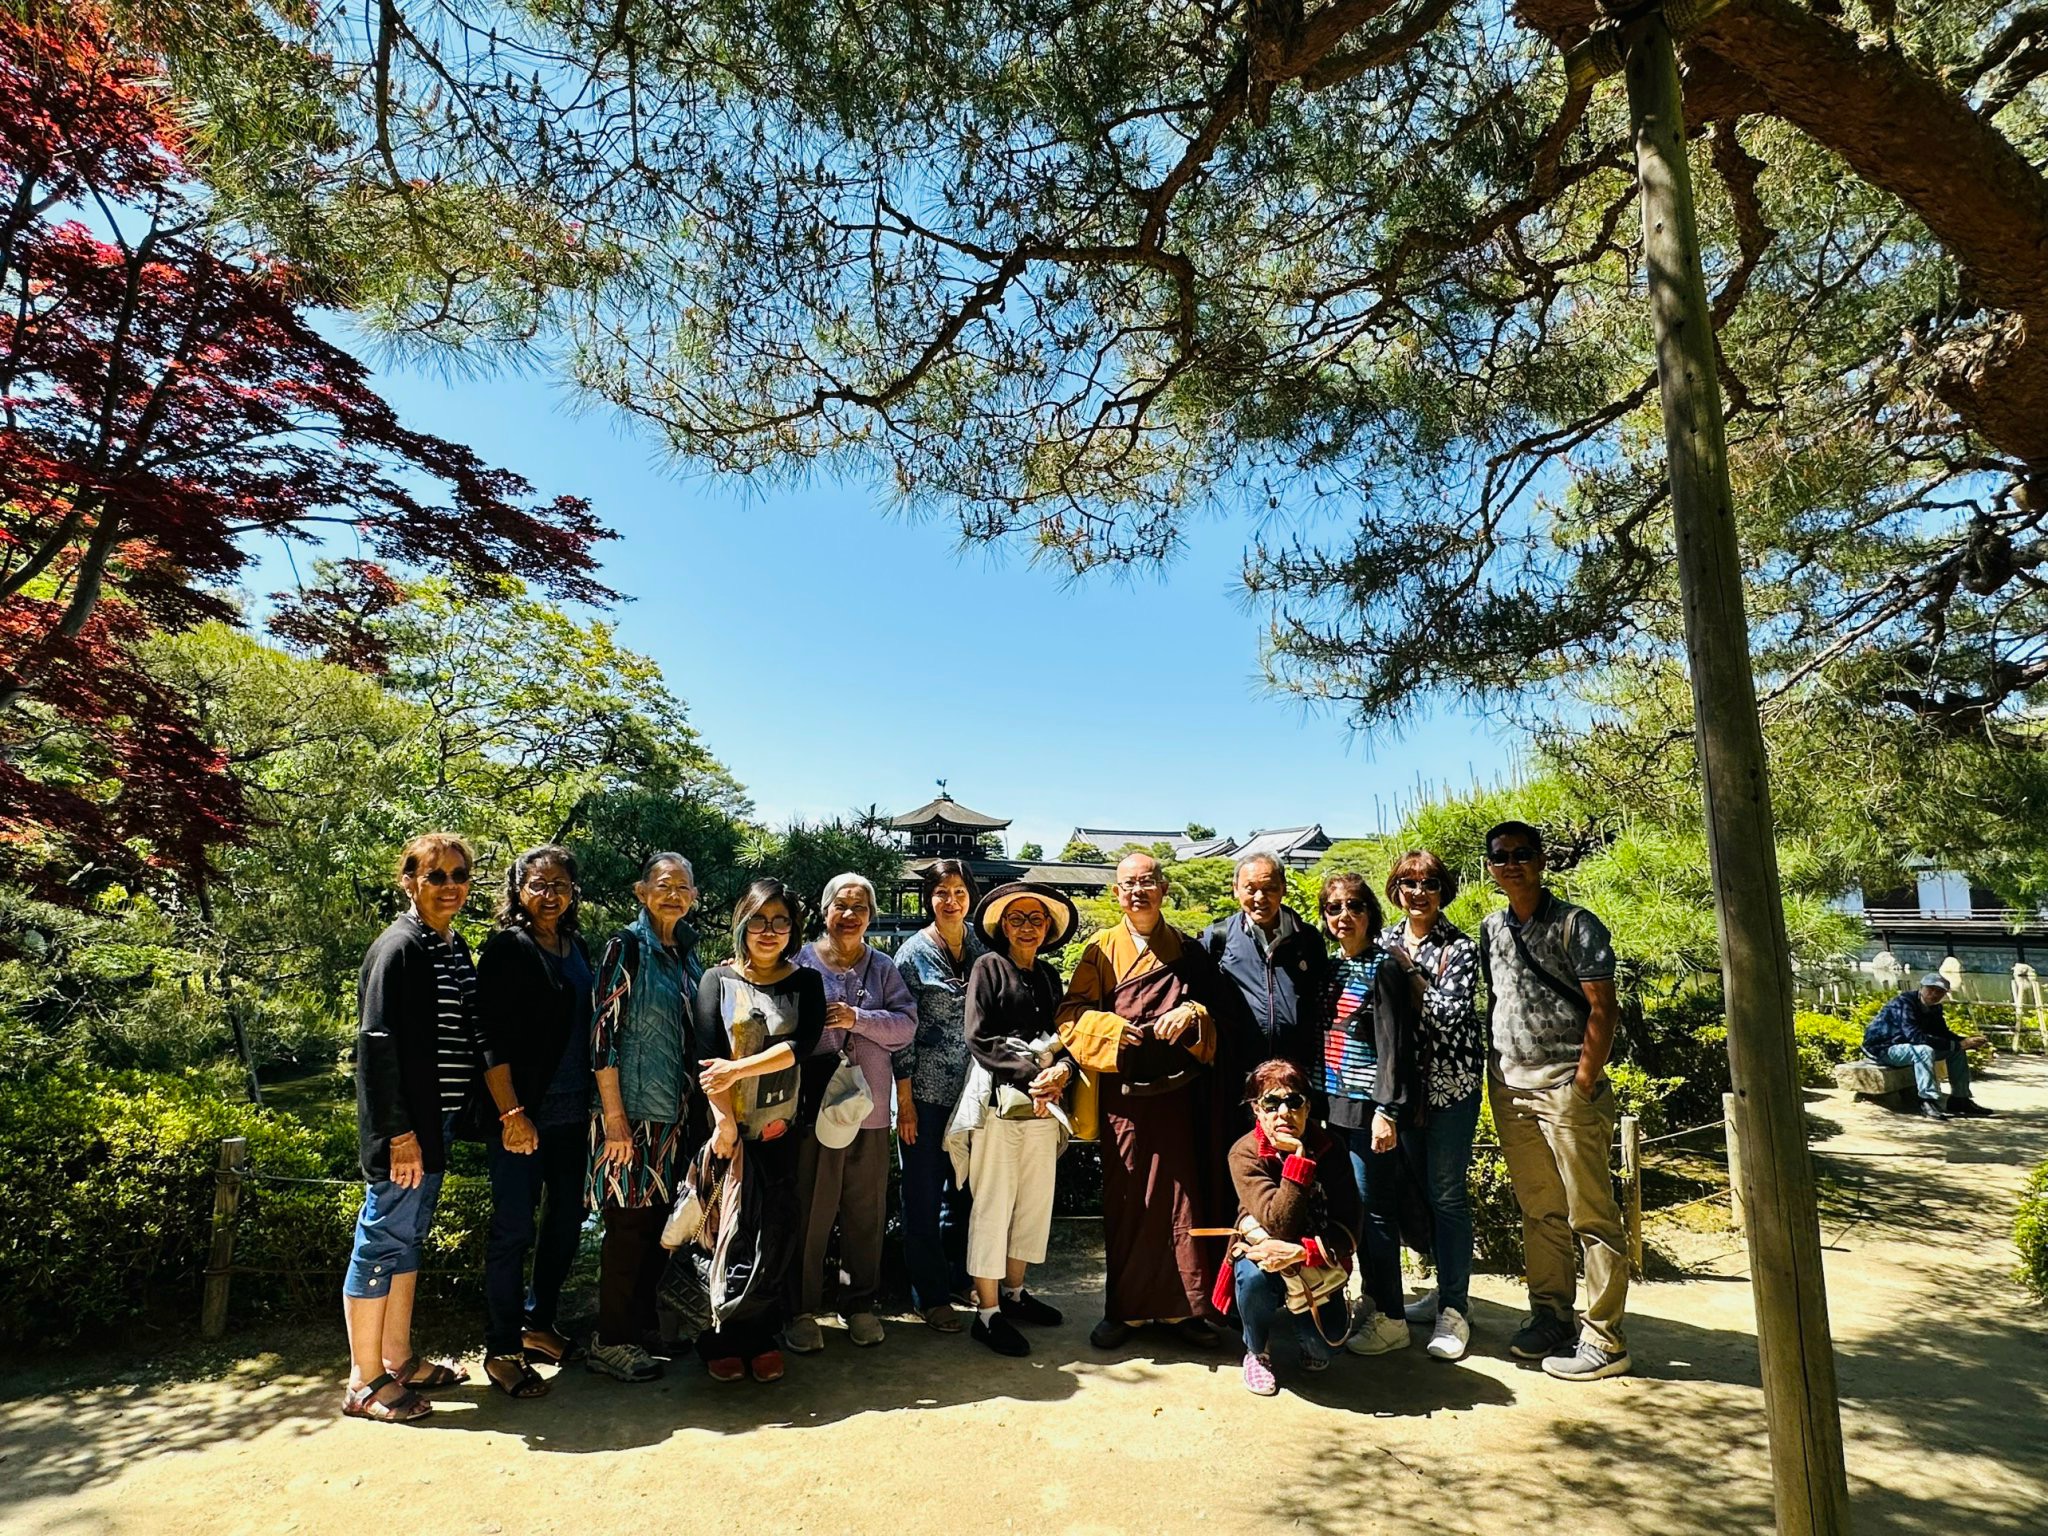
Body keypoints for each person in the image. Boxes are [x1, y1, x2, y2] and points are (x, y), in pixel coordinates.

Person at [1057, 850, 1238, 1350]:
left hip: (1180, 1093)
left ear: (1163, 889)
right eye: (1129, 884)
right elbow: (1070, 1014)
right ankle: (1127, 1311)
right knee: (1129, 1200)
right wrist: (1110, 1028)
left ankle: (1185, 1310)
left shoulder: (1188, 948)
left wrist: (1194, 1012)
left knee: (1184, 1199)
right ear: (1117, 893)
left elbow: (1221, 1009)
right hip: (1125, 1097)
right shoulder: (1100, 949)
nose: (1138, 891)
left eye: (1147, 882)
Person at [1478, 819, 1631, 1382]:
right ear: (1490, 867)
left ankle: (1605, 1338)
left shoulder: (1575, 924)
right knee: (1539, 1210)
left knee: (1591, 1213)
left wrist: (1584, 1081)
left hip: (1566, 1086)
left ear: (1541, 860)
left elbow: (1603, 1006)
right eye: (1501, 856)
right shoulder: (1491, 928)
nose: (1511, 864)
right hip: (1511, 1087)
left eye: (1522, 854)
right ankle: (1551, 1316)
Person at [341, 832, 483, 1422]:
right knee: (381, 1239)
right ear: (409, 882)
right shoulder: (398, 947)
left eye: (459, 875)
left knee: (408, 1237)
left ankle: (397, 1359)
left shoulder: (450, 946)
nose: (450, 886)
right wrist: (399, 1135)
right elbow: (376, 1045)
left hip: (436, 1120)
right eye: (435, 876)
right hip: (404, 1130)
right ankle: (363, 1380)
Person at [694, 878, 827, 1381]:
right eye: (758, 921)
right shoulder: (716, 980)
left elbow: (802, 1045)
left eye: (780, 922)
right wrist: (725, 1122)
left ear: (793, 929)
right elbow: (706, 1057)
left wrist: (737, 1069)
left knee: (775, 1232)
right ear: (742, 925)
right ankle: (719, 1337)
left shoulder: (805, 982)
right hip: (726, 1132)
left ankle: (761, 1334)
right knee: (722, 1232)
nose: (769, 931)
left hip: (780, 1131)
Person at [475, 845, 594, 1399]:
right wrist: (511, 1113)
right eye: (538, 884)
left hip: (573, 1113)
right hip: (522, 1116)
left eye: (560, 885)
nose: (550, 895)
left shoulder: (576, 945)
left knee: (566, 1221)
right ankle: (501, 1349)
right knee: (514, 1230)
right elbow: (488, 1039)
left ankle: (538, 1324)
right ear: (518, 889)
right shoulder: (507, 948)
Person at [586, 851, 703, 1383]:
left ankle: (640, 1327)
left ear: (694, 897)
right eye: (663, 885)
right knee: (627, 1227)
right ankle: (610, 1340)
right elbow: (602, 1036)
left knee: (658, 1225)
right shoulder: (626, 947)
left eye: (682, 887)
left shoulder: (687, 955)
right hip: (629, 1116)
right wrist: (614, 1119)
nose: (673, 895)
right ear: (641, 892)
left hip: (674, 1116)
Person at [788, 873, 918, 1352]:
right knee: (810, 1211)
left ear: (871, 915)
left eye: (860, 907)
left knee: (866, 1212)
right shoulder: (799, 963)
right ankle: (801, 1309)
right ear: (824, 911)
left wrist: (858, 1019)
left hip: (870, 1111)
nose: (849, 915)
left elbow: (906, 1026)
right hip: (815, 1109)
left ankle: (859, 1303)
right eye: (840, 905)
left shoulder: (882, 967)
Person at [959, 882, 1078, 1356]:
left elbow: (1066, 1032)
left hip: (1045, 1103)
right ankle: (987, 1312)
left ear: (1048, 927)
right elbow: (978, 1036)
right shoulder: (988, 967)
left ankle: (1014, 1292)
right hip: (1000, 1101)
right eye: (1017, 918)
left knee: (1033, 1199)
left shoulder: (1048, 975)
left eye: (1036, 919)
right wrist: (1035, 1074)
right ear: (1002, 926)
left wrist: (1062, 1070)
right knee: (994, 1202)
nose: (1027, 927)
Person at [1309, 871, 1422, 1360]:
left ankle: (1392, 1316)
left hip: (1368, 1109)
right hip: (1331, 1107)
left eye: (1354, 906)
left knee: (1376, 1213)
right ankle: (1372, 1304)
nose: (1344, 916)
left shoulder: (1385, 967)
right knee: (1350, 1211)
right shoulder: (1331, 969)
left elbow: (1395, 1047)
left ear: (1371, 914)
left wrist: (1387, 1111)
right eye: (1334, 908)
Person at [1380, 849, 1484, 1361]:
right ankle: (1443, 1290)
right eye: (1409, 883)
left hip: (1451, 1087)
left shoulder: (1460, 948)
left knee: (1446, 1196)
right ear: (1395, 890)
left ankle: (1456, 1308)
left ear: (1444, 890)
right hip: (1403, 1089)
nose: (1418, 893)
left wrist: (1408, 973)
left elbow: (1446, 1014)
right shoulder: (1384, 940)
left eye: (1430, 884)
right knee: (1418, 1194)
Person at [1216, 1059, 1362, 1396]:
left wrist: (1303, 1252)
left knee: (1324, 1349)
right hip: (1264, 1252)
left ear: (1307, 1108)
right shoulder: (1245, 1153)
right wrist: (1298, 1161)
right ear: (1256, 1110)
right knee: (1252, 1276)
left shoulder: (1331, 1148)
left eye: (1294, 1102)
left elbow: (1351, 1224)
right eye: (1271, 1103)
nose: (1284, 1112)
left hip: (1314, 1260)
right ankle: (1257, 1349)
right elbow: (1278, 1224)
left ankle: (1304, 1319)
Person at [892, 860, 986, 1332]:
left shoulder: (980, 946)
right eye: (941, 892)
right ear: (928, 898)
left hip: (972, 1093)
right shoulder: (911, 955)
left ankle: (959, 1277)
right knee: (923, 1195)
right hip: (924, 1095)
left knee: (965, 1192)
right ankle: (928, 1294)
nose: (951, 901)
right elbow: (901, 1033)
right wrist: (905, 1103)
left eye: (959, 891)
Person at [1200, 853, 1327, 1073]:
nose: (1260, 897)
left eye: (1269, 888)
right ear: (1235, 889)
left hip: (1294, 1070)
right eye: (1250, 889)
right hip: (1236, 1069)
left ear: (1284, 888)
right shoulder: (1217, 938)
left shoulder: (1307, 938)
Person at [1862, 973, 1994, 1119]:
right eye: (1930, 989)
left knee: (1956, 1051)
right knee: (1924, 1051)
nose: (1934, 994)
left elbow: (1942, 1033)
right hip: (1882, 1048)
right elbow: (1914, 1036)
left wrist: (1966, 1042)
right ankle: (1927, 1101)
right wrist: (1956, 1044)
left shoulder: (1934, 1008)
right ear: (1921, 988)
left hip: (1905, 1046)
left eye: (1940, 992)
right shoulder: (1904, 1003)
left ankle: (1960, 1099)